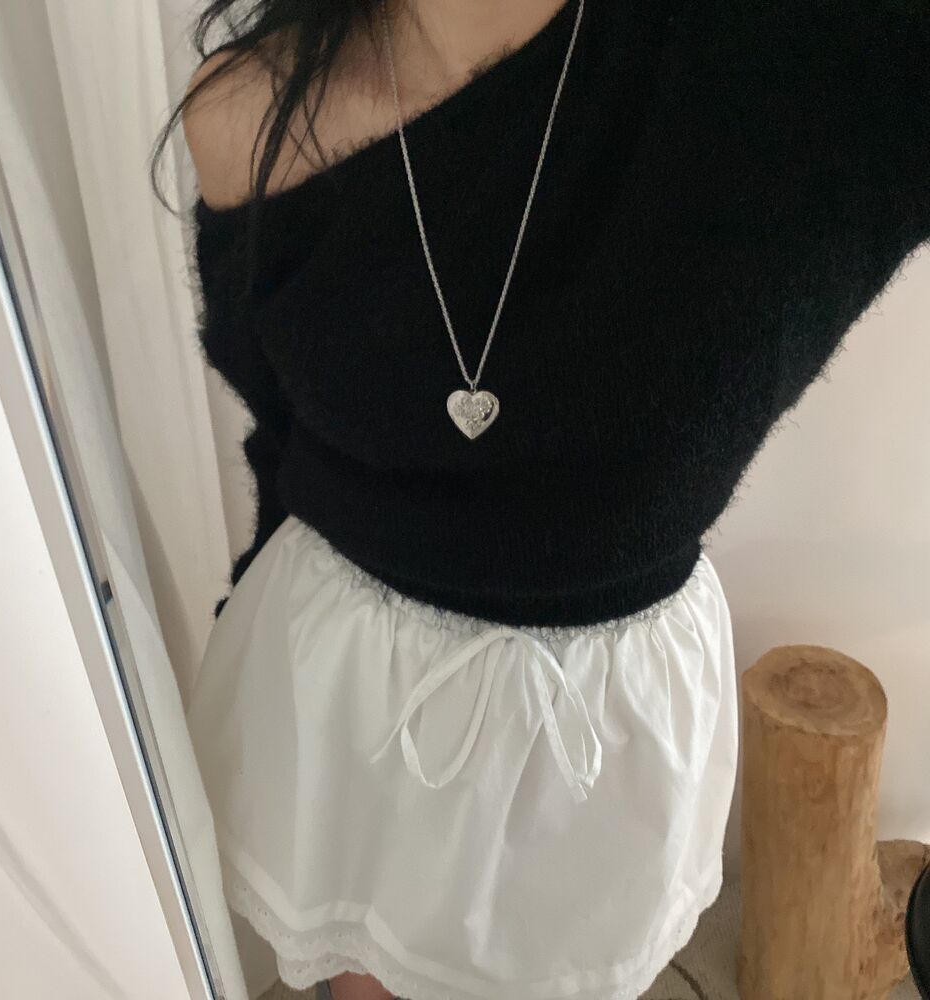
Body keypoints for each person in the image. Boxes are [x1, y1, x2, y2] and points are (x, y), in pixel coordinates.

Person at [151, 2, 930, 998]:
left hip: (605, 737)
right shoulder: (246, 114)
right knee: (363, 962)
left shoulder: (821, 65)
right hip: (348, 697)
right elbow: (279, 434)